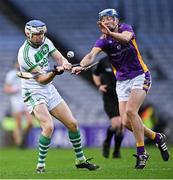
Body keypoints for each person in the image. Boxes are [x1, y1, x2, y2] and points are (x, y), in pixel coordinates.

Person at [72, 9, 170, 169]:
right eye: (104, 19)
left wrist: (110, 33)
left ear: (117, 20)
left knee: (131, 112)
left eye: (110, 18)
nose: (108, 21)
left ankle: (141, 153)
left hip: (140, 75)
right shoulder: (102, 41)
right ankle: (157, 137)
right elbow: (91, 55)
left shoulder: (126, 29)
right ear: (100, 23)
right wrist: (80, 66)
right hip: (122, 81)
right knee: (125, 122)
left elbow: (125, 39)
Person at [17, 20, 99, 173]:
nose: (40, 37)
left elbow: (59, 57)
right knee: (48, 126)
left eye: (42, 33)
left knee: (73, 123)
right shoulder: (25, 55)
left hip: (49, 89)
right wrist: (55, 72)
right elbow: (41, 79)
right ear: (28, 34)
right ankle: (40, 166)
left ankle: (80, 160)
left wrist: (66, 64)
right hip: (33, 91)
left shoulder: (46, 41)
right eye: (37, 34)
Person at [92, 57, 123, 158]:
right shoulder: (104, 61)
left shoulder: (123, 60)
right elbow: (95, 74)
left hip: (122, 95)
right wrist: (99, 85)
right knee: (117, 123)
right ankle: (107, 143)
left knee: (122, 126)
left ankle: (116, 151)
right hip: (109, 96)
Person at [4, 62, 33, 148]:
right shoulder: (11, 74)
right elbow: (6, 88)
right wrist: (15, 89)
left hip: (26, 99)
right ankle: (19, 144)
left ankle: (23, 137)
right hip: (16, 100)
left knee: (30, 122)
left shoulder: (27, 74)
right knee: (18, 124)